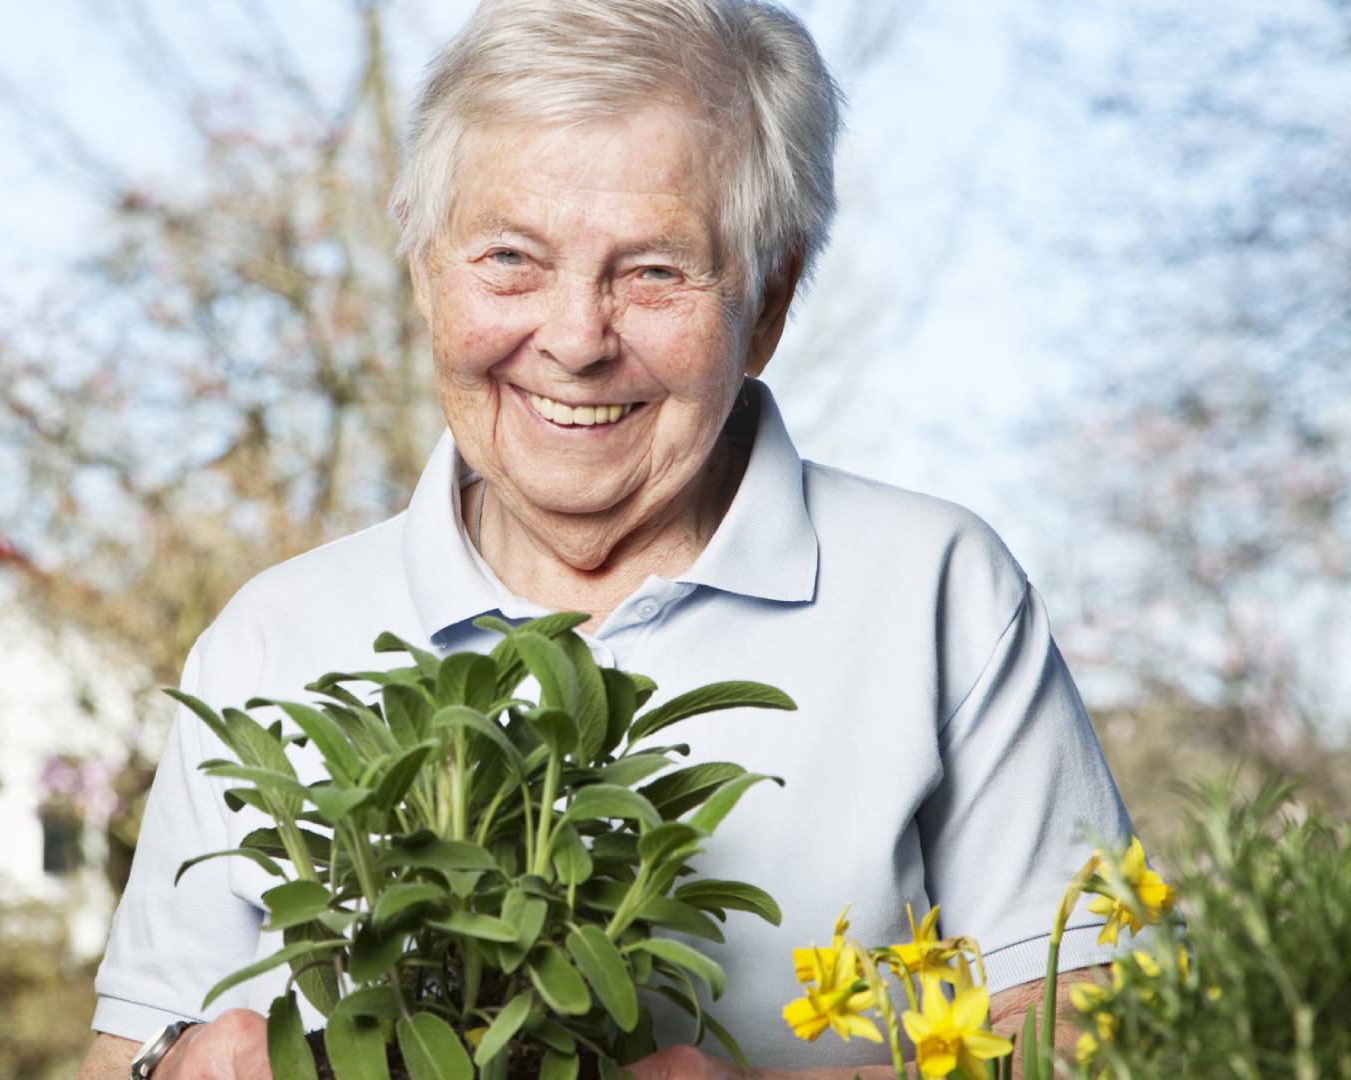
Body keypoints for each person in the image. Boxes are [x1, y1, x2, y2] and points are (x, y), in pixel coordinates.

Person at [78, 1, 1136, 1076]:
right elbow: (132, 1046)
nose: (577, 340)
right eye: (509, 259)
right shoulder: (273, 636)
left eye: (655, 271)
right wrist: (175, 1065)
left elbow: (1105, 1041)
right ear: (423, 273)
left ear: (766, 305)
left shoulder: (938, 593)